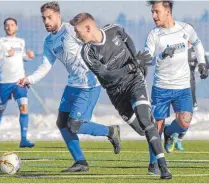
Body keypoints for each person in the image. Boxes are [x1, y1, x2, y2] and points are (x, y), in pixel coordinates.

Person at [17, 2, 120, 172]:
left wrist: (106, 67)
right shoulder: (49, 41)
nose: (46, 21)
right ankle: (80, 162)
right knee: (62, 123)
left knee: (75, 125)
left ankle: (110, 131)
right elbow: (46, 65)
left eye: (49, 17)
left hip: (89, 84)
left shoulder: (71, 30)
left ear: (59, 15)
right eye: (44, 18)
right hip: (72, 84)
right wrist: (30, 79)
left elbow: (94, 40)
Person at [70, 12, 172, 179]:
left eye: (77, 31)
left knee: (146, 122)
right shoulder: (87, 52)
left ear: (88, 28)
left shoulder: (114, 29)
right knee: (141, 130)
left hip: (134, 82)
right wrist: (133, 65)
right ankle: (163, 131)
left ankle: (162, 166)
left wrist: (136, 63)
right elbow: (107, 75)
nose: (76, 35)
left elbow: (128, 41)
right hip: (116, 93)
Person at [144, 0, 208, 174]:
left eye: (156, 11)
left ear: (167, 11)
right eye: (152, 12)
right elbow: (148, 57)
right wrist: (160, 55)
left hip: (182, 87)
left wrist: (202, 63)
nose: (154, 16)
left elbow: (197, 44)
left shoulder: (185, 29)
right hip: (161, 87)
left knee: (185, 121)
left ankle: (169, 132)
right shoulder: (154, 35)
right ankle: (153, 163)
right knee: (156, 125)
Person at [0, 17, 35, 148]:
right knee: (1, 108)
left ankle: (24, 139)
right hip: (4, 82)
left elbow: (22, 57)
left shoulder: (21, 42)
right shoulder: (0, 41)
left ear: (16, 27)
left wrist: (29, 56)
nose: (9, 27)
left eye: (12, 25)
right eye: (7, 25)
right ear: (4, 27)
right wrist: (5, 54)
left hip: (19, 81)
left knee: (24, 106)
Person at [174, 41, 209, 151]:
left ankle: (178, 137)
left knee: (189, 116)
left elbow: (205, 64)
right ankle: (172, 132)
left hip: (190, 89)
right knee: (180, 114)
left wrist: (205, 70)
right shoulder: (177, 48)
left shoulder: (196, 51)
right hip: (177, 87)